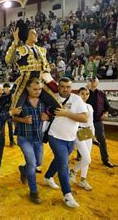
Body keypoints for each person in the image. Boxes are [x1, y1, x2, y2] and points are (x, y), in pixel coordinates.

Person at [43, 77, 88, 208]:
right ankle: (67, 195)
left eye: (68, 87)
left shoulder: (76, 99)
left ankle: (48, 176)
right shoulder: (52, 97)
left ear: (71, 87)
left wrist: (66, 113)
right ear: (58, 86)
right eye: (62, 86)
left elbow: (84, 118)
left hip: (71, 138)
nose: (65, 89)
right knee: (63, 164)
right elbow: (44, 111)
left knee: (59, 160)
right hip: (55, 136)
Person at [5, 20, 61, 116]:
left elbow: (46, 67)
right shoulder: (21, 49)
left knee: (58, 107)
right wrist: (15, 42)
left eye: (36, 33)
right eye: (33, 33)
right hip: (25, 82)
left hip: (40, 81)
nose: (36, 35)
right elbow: (9, 60)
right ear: (27, 36)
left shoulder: (42, 50)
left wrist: (49, 77)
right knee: (16, 110)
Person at [12, 78, 49, 204]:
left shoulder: (44, 101)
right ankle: (34, 191)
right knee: (33, 164)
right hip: (24, 137)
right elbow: (12, 117)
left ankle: (24, 169)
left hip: (38, 137)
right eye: (35, 89)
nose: (38, 91)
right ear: (27, 88)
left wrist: (47, 116)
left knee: (38, 162)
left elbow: (50, 113)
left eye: (39, 89)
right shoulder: (20, 102)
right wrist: (23, 120)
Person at [86, 77, 116, 168]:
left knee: (102, 140)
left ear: (98, 82)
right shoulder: (85, 92)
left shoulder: (101, 93)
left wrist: (106, 113)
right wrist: (87, 90)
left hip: (98, 121)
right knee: (84, 139)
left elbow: (107, 106)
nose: (93, 82)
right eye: (91, 80)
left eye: (94, 80)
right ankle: (81, 156)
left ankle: (105, 159)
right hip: (86, 121)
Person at [69, 87, 94, 191]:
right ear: (78, 94)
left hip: (88, 132)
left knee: (86, 158)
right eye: (82, 93)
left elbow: (91, 122)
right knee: (87, 158)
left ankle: (83, 180)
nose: (85, 96)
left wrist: (93, 134)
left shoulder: (89, 106)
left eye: (87, 94)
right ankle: (73, 171)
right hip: (78, 132)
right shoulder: (75, 106)